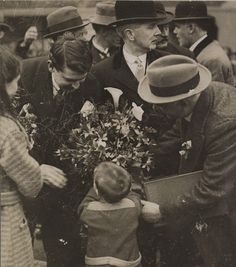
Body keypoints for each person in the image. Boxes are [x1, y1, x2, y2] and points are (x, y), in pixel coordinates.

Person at [138, 54, 236, 267]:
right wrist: (138, 161)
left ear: (186, 100)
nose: (157, 109)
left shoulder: (225, 124)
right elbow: (174, 137)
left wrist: (163, 211)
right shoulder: (198, 98)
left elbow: (213, 188)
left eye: (163, 105)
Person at [19, 36, 101, 267]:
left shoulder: (90, 84)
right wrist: (34, 169)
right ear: (50, 66)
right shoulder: (21, 77)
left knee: (66, 257)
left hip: (64, 187)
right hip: (23, 182)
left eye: (80, 80)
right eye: (68, 80)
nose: (76, 86)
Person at [0, 47, 67, 266]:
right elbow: (29, 184)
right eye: (15, 82)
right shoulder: (6, 129)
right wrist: (41, 171)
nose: (17, 88)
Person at [82, 0, 172, 130]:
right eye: (151, 26)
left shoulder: (168, 64)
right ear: (130, 34)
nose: (159, 32)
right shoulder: (100, 73)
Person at [78, 162, 160, 267]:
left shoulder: (90, 209)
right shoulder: (132, 206)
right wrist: (125, 189)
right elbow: (135, 196)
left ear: (97, 191)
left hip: (98, 261)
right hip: (128, 261)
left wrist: (94, 189)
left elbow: (82, 207)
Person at [173, 1, 234, 86]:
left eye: (177, 27)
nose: (174, 31)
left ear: (191, 28)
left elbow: (215, 97)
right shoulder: (208, 51)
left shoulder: (212, 60)